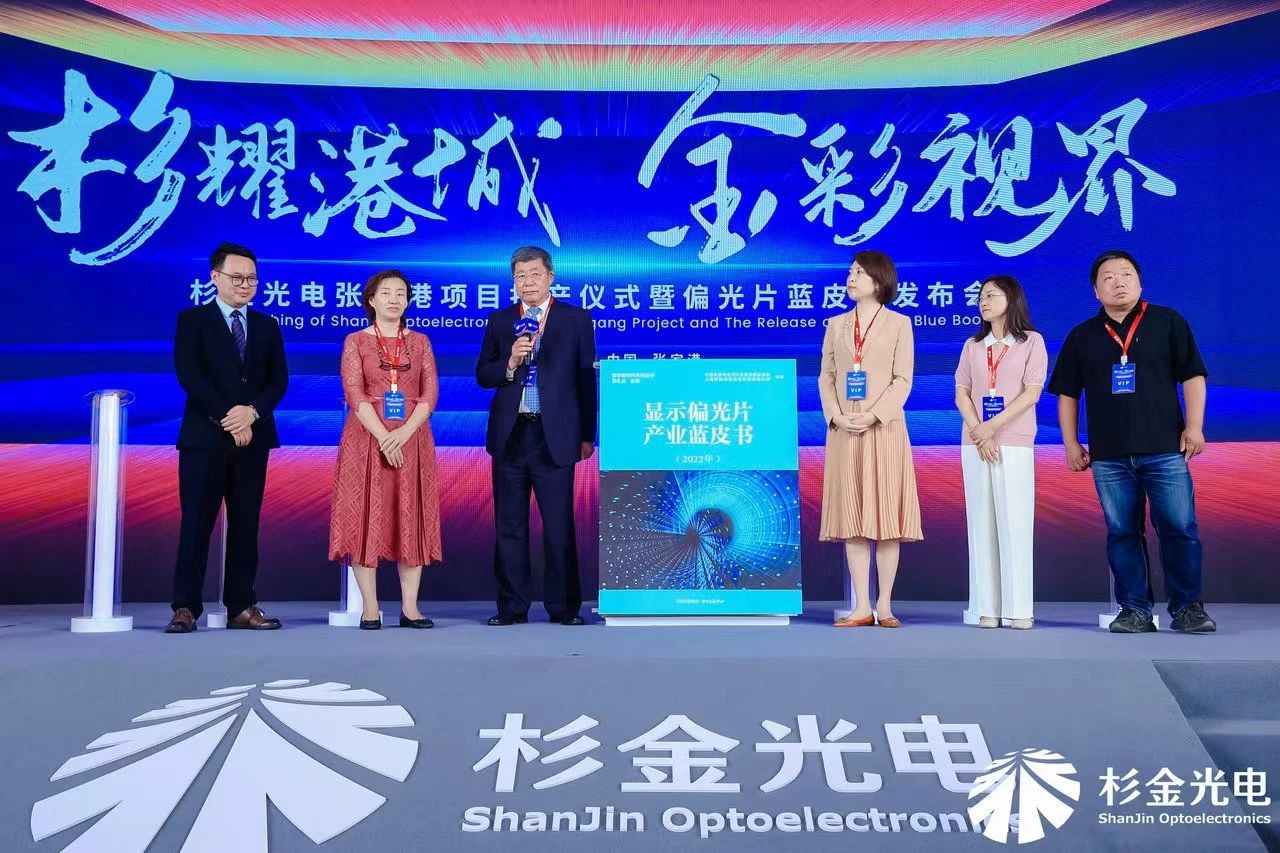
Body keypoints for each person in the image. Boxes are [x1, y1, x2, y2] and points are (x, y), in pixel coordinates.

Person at [1047, 250, 1214, 634]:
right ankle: (1135, 610)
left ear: (1140, 282)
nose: (1118, 282)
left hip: (1165, 449)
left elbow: (1193, 376)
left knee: (1179, 528)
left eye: (1126, 274)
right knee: (1122, 533)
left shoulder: (1168, 322)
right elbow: (1068, 394)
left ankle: (1188, 609)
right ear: (1096, 290)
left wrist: (1194, 426)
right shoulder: (1082, 335)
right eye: (1108, 277)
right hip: (1109, 455)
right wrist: (1071, 444)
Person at [166, 242, 288, 633]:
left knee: (246, 524)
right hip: (205, 439)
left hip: (254, 438)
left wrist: (252, 413)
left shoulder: (267, 325)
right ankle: (185, 608)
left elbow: (278, 381)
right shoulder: (193, 320)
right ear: (215, 277)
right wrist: (231, 418)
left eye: (252, 278)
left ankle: (242, 606)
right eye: (237, 277)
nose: (245, 284)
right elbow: (191, 376)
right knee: (196, 524)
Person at [476, 246, 597, 626]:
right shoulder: (500, 321)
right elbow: (483, 376)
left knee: (558, 525)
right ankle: (512, 607)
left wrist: (586, 435)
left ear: (550, 277)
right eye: (520, 277)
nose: (527, 282)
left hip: (555, 435)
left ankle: (563, 607)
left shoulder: (576, 319)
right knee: (509, 525)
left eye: (534, 275)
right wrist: (511, 360)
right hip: (511, 435)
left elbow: (585, 380)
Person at [329, 270, 443, 630]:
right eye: (386, 293)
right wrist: (383, 437)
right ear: (371, 300)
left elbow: (430, 393)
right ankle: (370, 607)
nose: (394, 299)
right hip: (366, 440)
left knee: (411, 515)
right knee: (366, 516)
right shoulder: (355, 341)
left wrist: (404, 433)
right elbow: (354, 392)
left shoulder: (420, 342)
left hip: (412, 439)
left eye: (401, 294)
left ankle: (411, 608)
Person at [819, 250, 922, 628]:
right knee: (854, 519)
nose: (851, 278)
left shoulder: (899, 323)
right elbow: (827, 376)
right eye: (850, 272)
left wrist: (874, 414)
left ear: (879, 281)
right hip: (845, 431)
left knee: (886, 519)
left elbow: (903, 379)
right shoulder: (836, 324)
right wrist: (837, 416)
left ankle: (886, 605)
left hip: (884, 429)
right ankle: (862, 606)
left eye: (859, 272)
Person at [954, 276, 1048, 630]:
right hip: (975, 442)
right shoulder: (973, 345)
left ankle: (1019, 608)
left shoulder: (1031, 342)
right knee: (980, 524)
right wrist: (979, 430)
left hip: (1014, 441)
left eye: (992, 295)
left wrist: (991, 427)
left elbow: (1032, 393)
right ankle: (987, 608)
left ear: (1012, 299)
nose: (984, 301)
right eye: (981, 296)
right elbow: (962, 393)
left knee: (1015, 523)